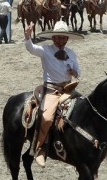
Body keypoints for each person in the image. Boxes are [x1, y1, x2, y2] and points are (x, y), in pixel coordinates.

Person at [24, 21, 83, 167]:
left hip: (69, 88)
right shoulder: (45, 50)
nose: (61, 41)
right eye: (58, 38)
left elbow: (78, 71)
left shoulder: (71, 53)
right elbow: (31, 49)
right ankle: (40, 148)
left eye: (64, 38)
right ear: (53, 38)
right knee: (46, 117)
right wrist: (27, 36)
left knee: (84, 109)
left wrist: (74, 72)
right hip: (51, 89)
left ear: (67, 39)